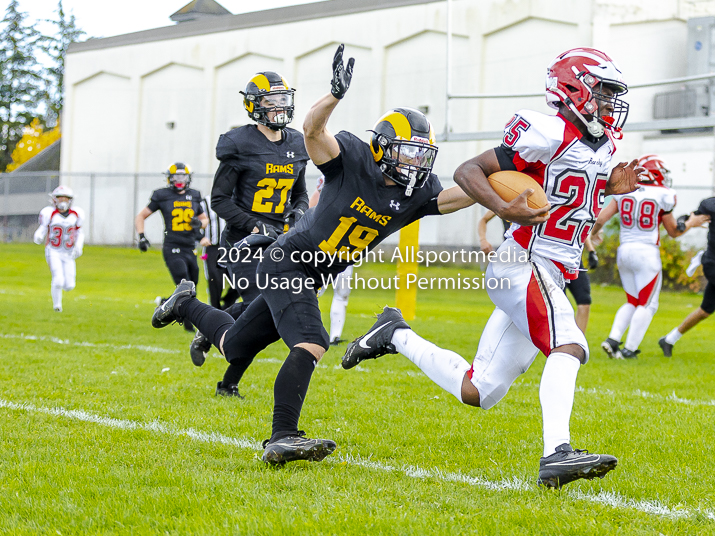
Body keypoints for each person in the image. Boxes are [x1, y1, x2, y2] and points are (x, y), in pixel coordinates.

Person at [151, 44, 474, 465]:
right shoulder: (354, 159)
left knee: (234, 345)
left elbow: (460, 196)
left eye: (421, 154)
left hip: (313, 272)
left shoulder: (417, 194)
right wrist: (334, 96)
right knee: (312, 340)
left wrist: (509, 173)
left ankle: (185, 304)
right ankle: (282, 436)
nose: (414, 163)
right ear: (381, 147)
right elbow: (313, 133)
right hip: (290, 261)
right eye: (407, 151)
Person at [343, 47, 643, 489]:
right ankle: (557, 452)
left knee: (479, 391)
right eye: (602, 92)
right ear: (574, 89)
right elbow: (468, 171)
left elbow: (570, 198)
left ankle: (393, 334)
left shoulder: (603, 144)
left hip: (549, 269)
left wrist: (606, 187)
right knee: (571, 344)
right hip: (522, 261)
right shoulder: (547, 130)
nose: (608, 103)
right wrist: (505, 207)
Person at [188, 71, 310, 383]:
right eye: (272, 101)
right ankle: (205, 324)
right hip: (244, 241)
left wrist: (298, 213)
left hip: (280, 241)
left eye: (284, 99)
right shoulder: (240, 143)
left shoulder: (297, 142)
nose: (280, 106)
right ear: (254, 106)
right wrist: (255, 225)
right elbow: (219, 199)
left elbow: (300, 193)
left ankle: (225, 375)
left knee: (266, 312)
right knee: (263, 302)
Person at [595, 155, 708, 359]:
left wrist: (593, 234)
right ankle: (629, 350)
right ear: (655, 173)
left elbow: (601, 218)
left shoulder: (625, 190)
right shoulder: (662, 194)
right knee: (647, 304)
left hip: (624, 251)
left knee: (632, 300)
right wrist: (691, 222)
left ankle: (612, 340)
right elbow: (674, 230)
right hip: (646, 252)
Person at [659, 175, 715, 357]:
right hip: (712, 262)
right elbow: (689, 217)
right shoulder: (712, 206)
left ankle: (669, 339)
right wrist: (686, 222)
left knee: (706, 310)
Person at [478, 210, 598, 333]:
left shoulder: (546, 198)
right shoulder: (505, 199)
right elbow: (483, 219)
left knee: (584, 301)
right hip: (526, 256)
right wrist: (483, 240)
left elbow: (577, 226)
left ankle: (574, 347)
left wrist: (591, 249)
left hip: (565, 255)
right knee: (553, 306)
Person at [135, 162, 208, 332]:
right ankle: (189, 324)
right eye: (176, 177)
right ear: (169, 178)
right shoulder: (162, 195)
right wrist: (141, 237)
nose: (179, 180)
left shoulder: (194, 195)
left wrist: (200, 223)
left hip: (190, 246)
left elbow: (205, 220)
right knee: (183, 281)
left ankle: (166, 303)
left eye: (183, 176)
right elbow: (141, 216)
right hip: (172, 246)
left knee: (193, 286)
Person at [311, 175, 353, 346]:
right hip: (325, 243)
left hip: (347, 245)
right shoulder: (331, 175)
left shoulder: (361, 176)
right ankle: (307, 331)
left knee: (342, 293)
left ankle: (335, 336)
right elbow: (312, 206)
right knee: (313, 290)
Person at [33, 186, 85, 312]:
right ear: (54, 199)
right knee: (58, 279)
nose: (63, 201)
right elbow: (43, 228)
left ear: (70, 200)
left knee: (69, 285)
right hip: (53, 251)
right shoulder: (49, 213)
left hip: (68, 253)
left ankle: (58, 303)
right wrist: (38, 235)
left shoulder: (76, 214)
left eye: (66, 198)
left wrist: (79, 245)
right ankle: (57, 306)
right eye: (60, 198)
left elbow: (79, 232)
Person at [198, 196, 240, 311]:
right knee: (215, 280)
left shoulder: (240, 198)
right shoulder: (205, 202)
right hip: (213, 247)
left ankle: (227, 304)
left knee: (241, 280)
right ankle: (215, 311)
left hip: (233, 247)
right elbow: (192, 221)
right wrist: (200, 237)